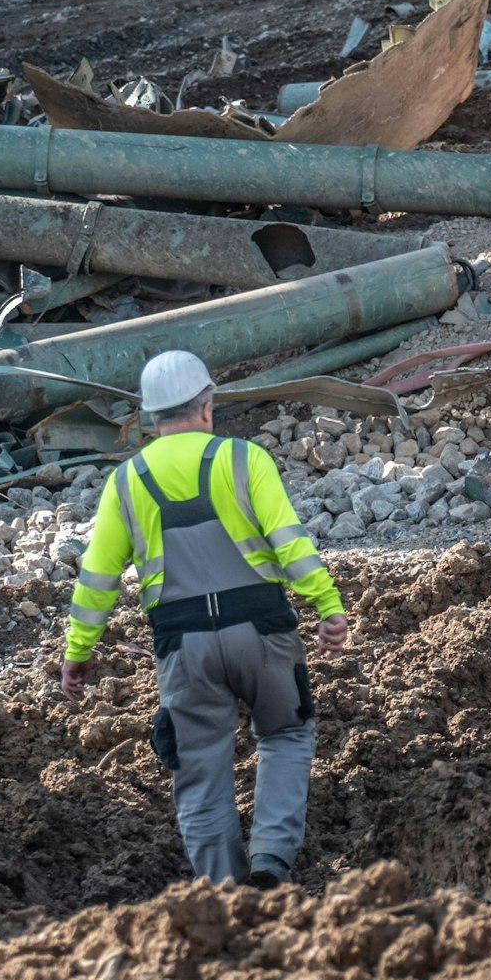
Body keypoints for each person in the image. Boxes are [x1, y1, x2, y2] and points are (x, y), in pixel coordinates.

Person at [60, 350, 350, 888]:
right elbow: (291, 544)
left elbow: (96, 579)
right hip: (263, 631)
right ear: (207, 406)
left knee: (199, 772)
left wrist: (78, 652)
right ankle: (270, 862)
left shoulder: (125, 482)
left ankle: (223, 895)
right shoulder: (244, 460)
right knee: (285, 736)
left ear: (149, 421)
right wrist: (328, 607)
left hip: (183, 646)